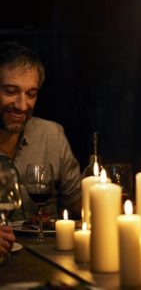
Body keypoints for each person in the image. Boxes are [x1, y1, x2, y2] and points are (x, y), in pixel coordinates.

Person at [0, 42, 81, 220]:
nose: (22, 106)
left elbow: (79, 202)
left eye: (31, 94)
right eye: (10, 91)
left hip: (46, 248)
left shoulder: (51, 135)